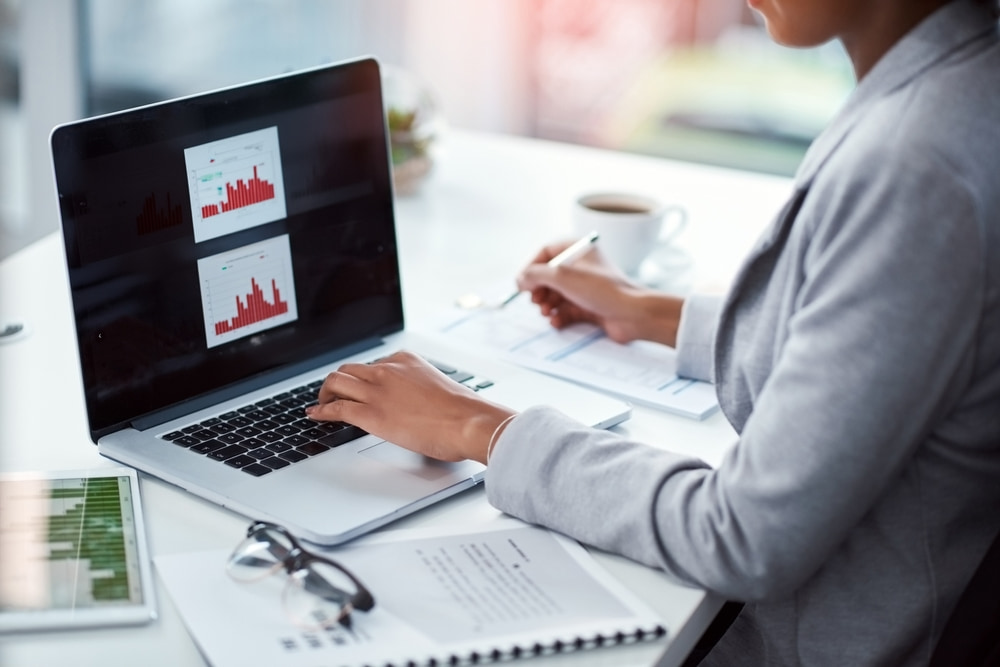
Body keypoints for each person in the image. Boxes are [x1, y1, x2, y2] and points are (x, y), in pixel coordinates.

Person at [305, 0, 1000, 664]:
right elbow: (867, 346)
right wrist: (649, 310)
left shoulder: (918, 168)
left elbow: (742, 535)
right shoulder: (960, 85)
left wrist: (478, 427)